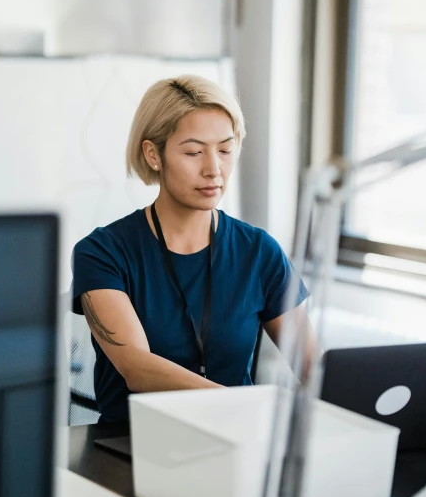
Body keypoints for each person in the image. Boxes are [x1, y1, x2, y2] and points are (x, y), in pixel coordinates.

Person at [72, 75, 311, 422]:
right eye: (194, 152)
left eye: (226, 150)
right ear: (154, 154)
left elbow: (311, 366)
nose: (214, 169)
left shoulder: (260, 253)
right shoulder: (102, 253)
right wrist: (246, 406)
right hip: (131, 450)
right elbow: (138, 368)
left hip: (235, 444)